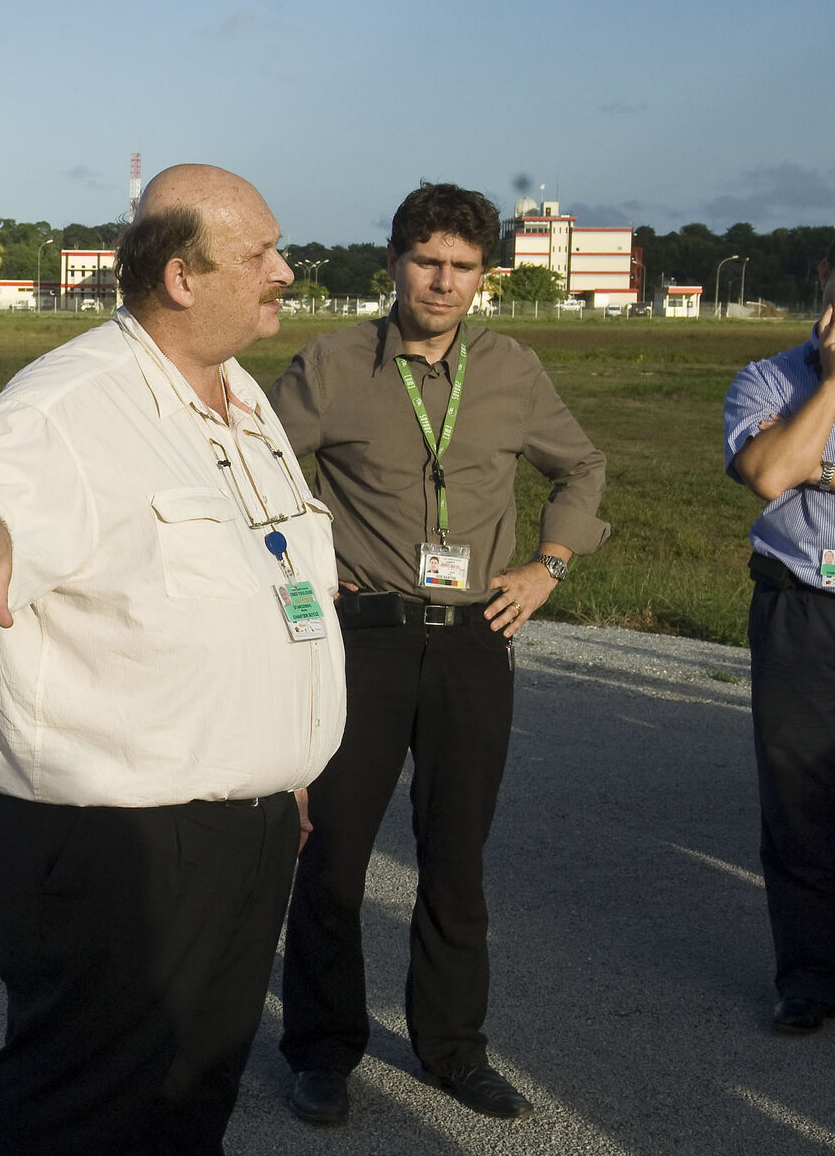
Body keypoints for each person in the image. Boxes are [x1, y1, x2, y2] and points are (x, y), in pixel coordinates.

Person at [0, 164, 346, 1156]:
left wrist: (285, 772)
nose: (286, 270)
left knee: (188, 1098)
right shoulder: (71, 401)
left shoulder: (239, 398)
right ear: (183, 278)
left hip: (243, 828)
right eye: (261, 254)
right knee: (83, 1108)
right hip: (121, 846)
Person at [269, 183, 609, 1126]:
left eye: (463, 267)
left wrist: (548, 565)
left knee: (455, 861)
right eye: (428, 262)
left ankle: (454, 1050)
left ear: (485, 275)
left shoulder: (513, 370)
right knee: (332, 860)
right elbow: (252, 472)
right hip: (363, 638)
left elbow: (581, 466)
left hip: (473, 639)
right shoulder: (333, 365)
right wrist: (299, 571)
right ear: (395, 263)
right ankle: (323, 1051)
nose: (444, 283)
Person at [723, 216, 835, 1035]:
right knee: (802, 803)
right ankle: (814, 979)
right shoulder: (767, 380)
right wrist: (830, 385)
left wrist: (821, 468)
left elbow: (797, 469)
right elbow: (771, 473)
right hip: (804, 607)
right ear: (826, 274)